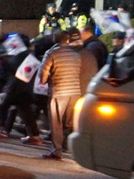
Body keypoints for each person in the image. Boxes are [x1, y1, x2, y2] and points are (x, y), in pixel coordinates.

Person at [38, 29, 98, 159]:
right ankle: (71, 148)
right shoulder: (76, 54)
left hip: (59, 92)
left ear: (55, 39)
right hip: (75, 92)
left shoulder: (51, 53)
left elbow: (42, 76)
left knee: (56, 122)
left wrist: (47, 79)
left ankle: (56, 150)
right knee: (69, 122)